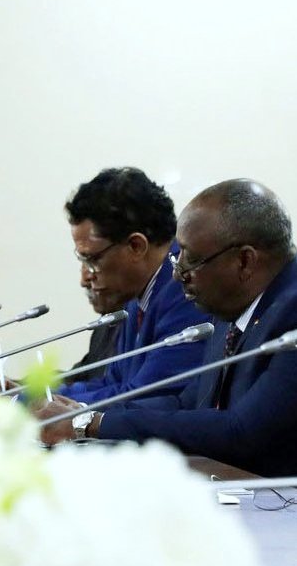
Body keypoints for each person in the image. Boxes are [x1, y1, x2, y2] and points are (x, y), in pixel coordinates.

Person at [42, 179, 297, 477]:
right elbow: (184, 402)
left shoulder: (290, 312)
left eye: (190, 259)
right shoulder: (230, 308)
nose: (177, 275)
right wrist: (85, 415)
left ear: (244, 261)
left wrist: (90, 423)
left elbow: (241, 431)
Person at [0, 168, 205, 414]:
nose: (86, 275)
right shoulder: (138, 293)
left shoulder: (186, 289)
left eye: (92, 260)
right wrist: (25, 394)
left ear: (136, 246)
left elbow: (146, 395)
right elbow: (112, 383)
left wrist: (20, 404)